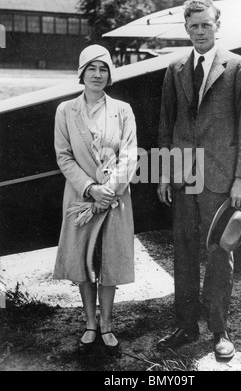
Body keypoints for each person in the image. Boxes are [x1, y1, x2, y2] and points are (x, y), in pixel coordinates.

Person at [157, 0, 241, 358]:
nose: (200, 31)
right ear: (185, 28)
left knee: (219, 252)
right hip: (183, 176)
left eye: (206, 24)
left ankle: (220, 330)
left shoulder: (237, 67)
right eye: (193, 25)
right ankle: (185, 325)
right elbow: (167, 123)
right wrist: (164, 174)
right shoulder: (175, 69)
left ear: (218, 25)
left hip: (220, 177)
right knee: (182, 252)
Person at [53, 44, 137, 357]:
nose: (97, 75)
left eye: (103, 69)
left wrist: (109, 191)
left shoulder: (122, 110)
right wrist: (90, 189)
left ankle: (107, 324)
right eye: (92, 68)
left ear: (109, 74)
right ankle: (90, 322)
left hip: (114, 200)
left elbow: (129, 154)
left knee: (109, 260)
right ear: (82, 73)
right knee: (83, 262)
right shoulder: (65, 111)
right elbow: (64, 156)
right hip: (80, 199)